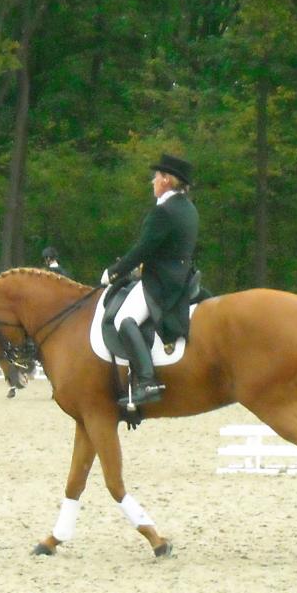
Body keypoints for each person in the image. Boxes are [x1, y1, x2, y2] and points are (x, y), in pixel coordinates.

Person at [101, 153, 199, 408]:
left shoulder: (164, 211)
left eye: (156, 177)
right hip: (182, 275)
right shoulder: (188, 208)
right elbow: (164, 248)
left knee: (124, 319)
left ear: (166, 180)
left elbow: (142, 249)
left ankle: (147, 381)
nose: (152, 182)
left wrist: (114, 272)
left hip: (163, 281)